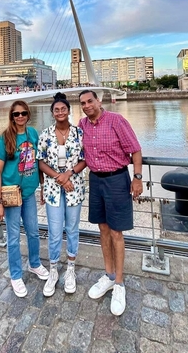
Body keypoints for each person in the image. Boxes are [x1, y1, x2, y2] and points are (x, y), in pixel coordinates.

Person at [78, 90, 143, 316]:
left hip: (117, 179)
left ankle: (119, 283)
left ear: (99, 101)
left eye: (90, 101)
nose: (86, 106)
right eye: (82, 103)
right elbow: (81, 154)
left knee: (117, 232)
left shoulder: (116, 120)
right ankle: (108, 275)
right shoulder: (82, 124)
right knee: (103, 229)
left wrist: (137, 178)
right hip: (95, 180)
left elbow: (135, 150)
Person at [0, 100, 49, 297]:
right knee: (14, 237)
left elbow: (38, 161)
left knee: (33, 232)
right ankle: (16, 275)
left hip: (29, 193)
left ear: (28, 115)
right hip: (11, 195)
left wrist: (42, 186)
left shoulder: (33, 134)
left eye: (23, 113)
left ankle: (34, 263)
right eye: (16, 114)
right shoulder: (5, 138)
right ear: (12, 116)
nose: (20, 117)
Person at [37, 93, 86, 297]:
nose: (60, 112)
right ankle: (54, 269)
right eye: (56, 110)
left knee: (72, 229)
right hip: (52, 188)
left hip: (74, 187)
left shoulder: (79, 133)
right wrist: (59, 177)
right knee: (55, 230)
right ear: (52, 112)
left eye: (63, 109)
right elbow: (40, 161)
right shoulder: (45, 134)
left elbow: (85, 159)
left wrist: (69, 174)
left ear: (68, 111)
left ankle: (71, 269)